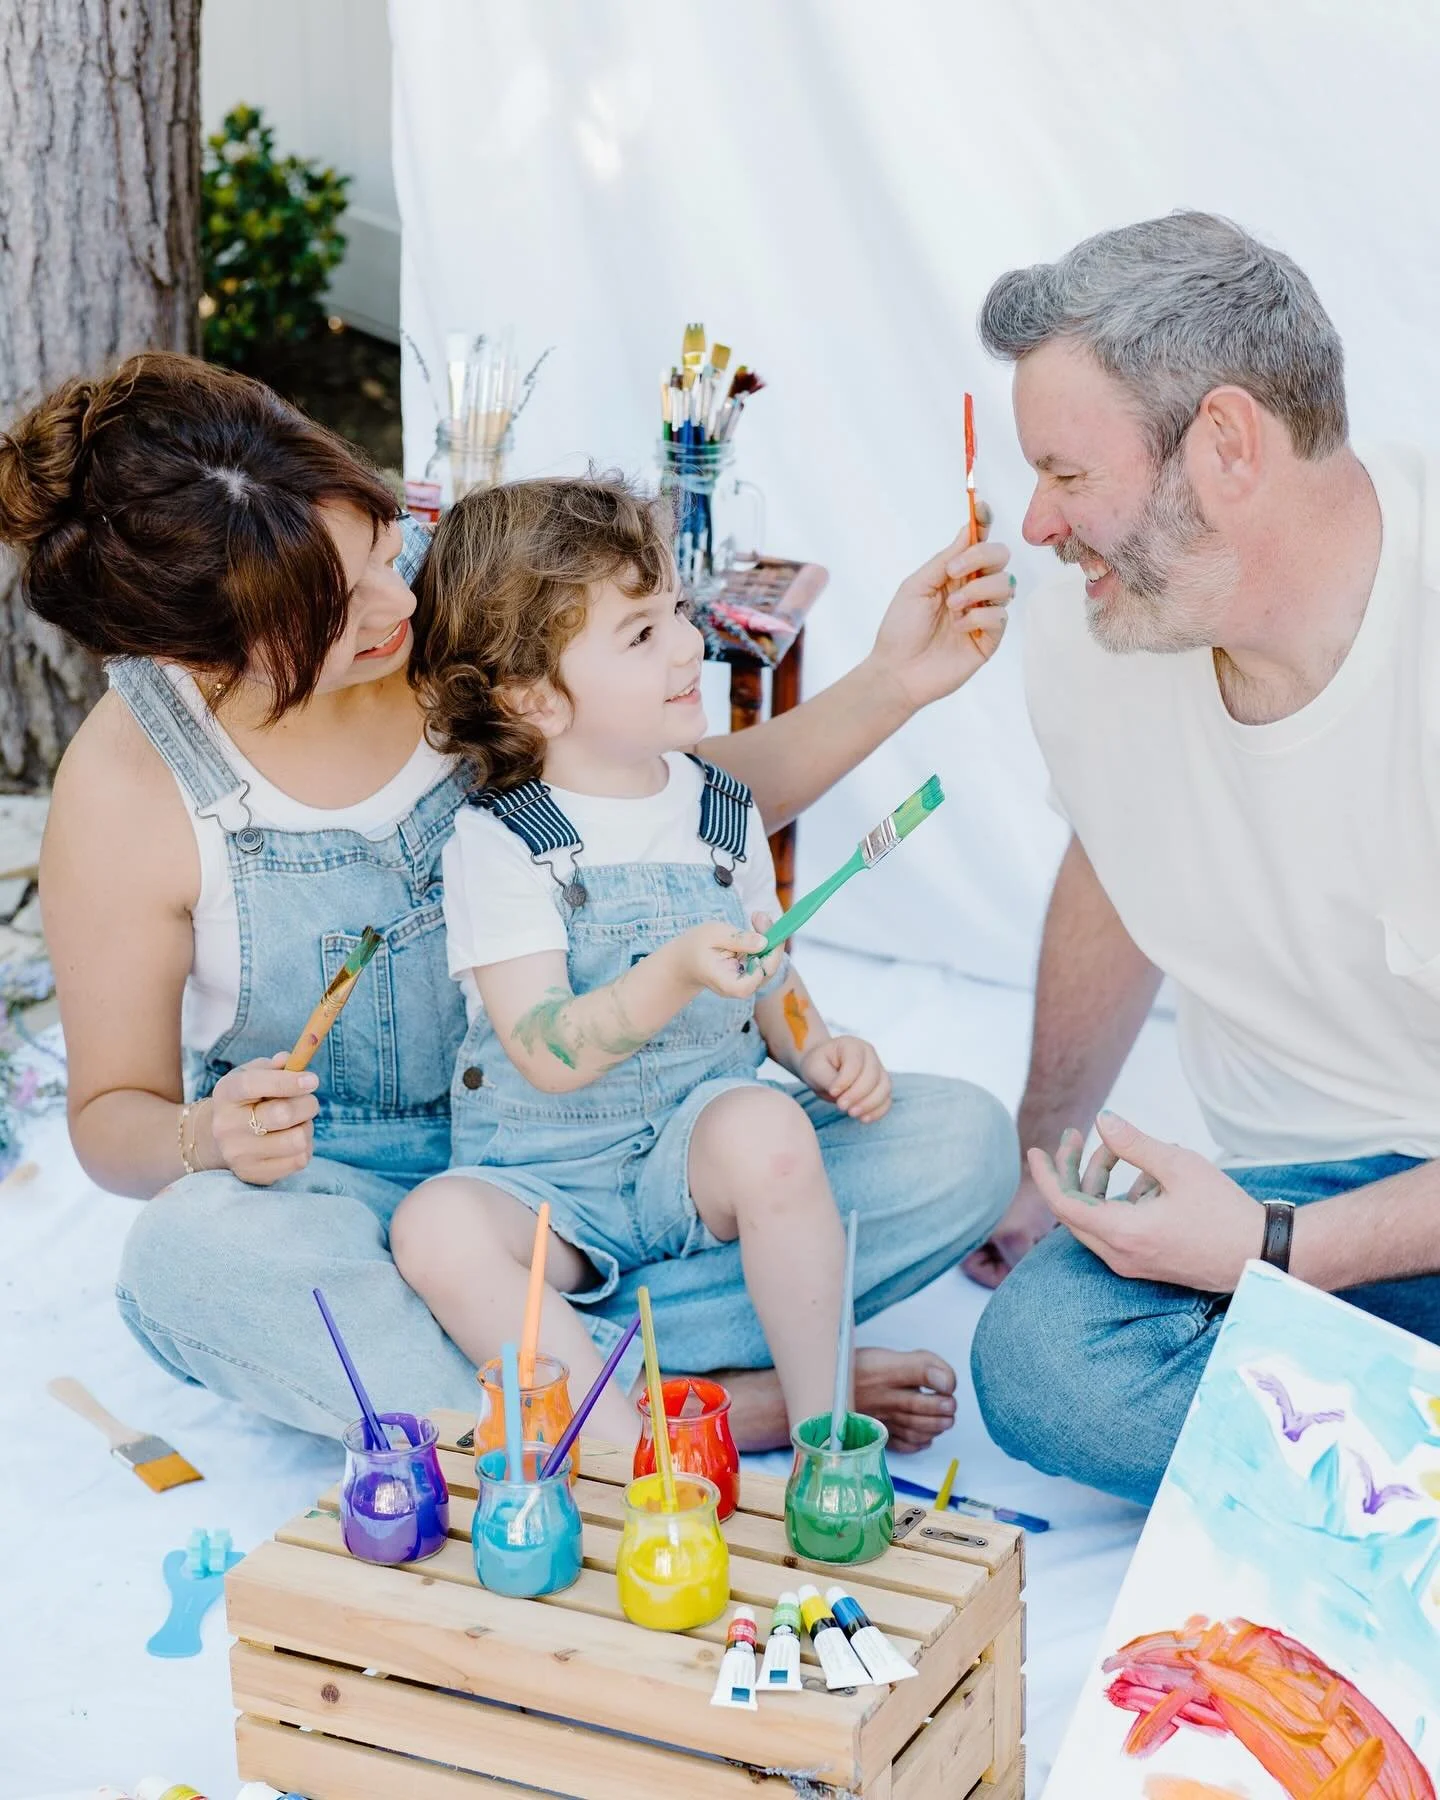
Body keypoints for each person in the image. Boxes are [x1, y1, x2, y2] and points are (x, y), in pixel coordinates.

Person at [0, 350, 1019, 1447]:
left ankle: (562, 1403)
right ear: (198, 652)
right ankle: (687, 1410)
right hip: (370, 1199)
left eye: (387, 550)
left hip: (616, 1136)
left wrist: (895, 680)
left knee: (956, 1145)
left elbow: (677, 812)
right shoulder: (127, 789)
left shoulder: (456, 602)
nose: (402, 603)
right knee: (190, 1263)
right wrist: (209, 1137)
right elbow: (113, 1124)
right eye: (342, 609)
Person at [966, 211, 1440, 1504]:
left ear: (1226, 444)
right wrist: (1041, 1152)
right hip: (1290, 1181)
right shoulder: (1100, 634)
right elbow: (1119, 862)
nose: (1036, 525)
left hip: (1311, 1221)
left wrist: (1280, 1250)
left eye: (1067, 474)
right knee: (1047, 1364)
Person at [390, 473, 963, 1446]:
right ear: (535, 697)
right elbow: (545, 1051)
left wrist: (818, 1051)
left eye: (678, 614)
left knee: (770, 1127)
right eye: (641, 633)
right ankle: (621, 1453)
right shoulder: (503, 841)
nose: (691, 645)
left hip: (687, 1161)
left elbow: (767, 965)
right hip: (549, 1186)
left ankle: (828, 1434)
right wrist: (671, 973)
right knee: (433, 1229)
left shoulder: (717, 809)